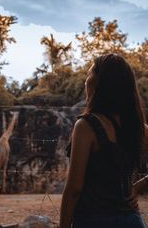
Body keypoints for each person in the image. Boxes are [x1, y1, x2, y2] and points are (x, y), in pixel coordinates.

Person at [60, 53, 148, 228]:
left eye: (89, 74)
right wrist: (139, 186)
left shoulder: (86, 126)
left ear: (100, 83)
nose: (86, 81)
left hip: (92, 221)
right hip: (132, 221)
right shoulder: (138, 127)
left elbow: (74, 189)